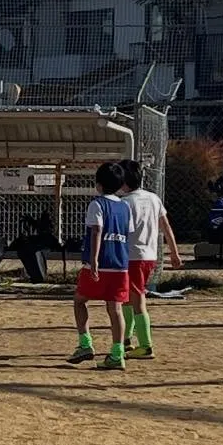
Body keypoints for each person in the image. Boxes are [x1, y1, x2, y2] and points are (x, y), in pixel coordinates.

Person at [67, 161, 132, 371]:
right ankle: (117, 353)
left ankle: (85, 344)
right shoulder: (125, 206)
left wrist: (93, 261)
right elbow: (126, 233)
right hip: (120, 265)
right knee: (115, 309)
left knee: (79, 301)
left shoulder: (97, 204)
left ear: (99, 184)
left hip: (100, 263)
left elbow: (96, 231)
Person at [118, 159, 182, 360]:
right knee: (129, 297)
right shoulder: (153, 198)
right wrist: (174, 251)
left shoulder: (125, 203)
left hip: (132, 256)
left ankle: (145, 345)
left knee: (136, 299)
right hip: (149, 255)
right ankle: (127, 338)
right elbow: (165, 225)